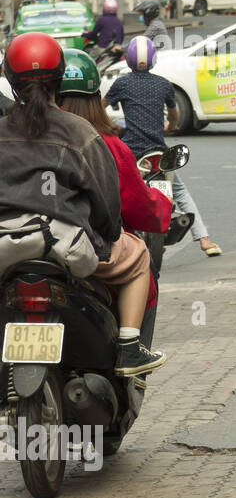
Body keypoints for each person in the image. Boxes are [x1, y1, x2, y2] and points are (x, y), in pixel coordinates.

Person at [0, 33, 166, 376]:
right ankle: (130, 347)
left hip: (4, 247)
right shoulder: (82, 133)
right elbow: (107, 206)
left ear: (11, 80)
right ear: (58, 78)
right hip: (67, 251)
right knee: (138, 256)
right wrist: (107, 238)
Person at [105, 36, 222, 257]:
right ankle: (204, 240)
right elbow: (174, 114)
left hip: (133, 152)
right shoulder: (163, 84)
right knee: (179, 191)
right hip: (159, 152)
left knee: (116, 189)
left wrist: (112, 127)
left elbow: (100, 107)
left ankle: (114, 237)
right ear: (153, 59)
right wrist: (171, 126)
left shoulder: (121, 84)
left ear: (129, 60)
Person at [58, 49, 172, 245]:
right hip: (93, 249)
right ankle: (203, 236)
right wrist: (164, 202)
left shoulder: (19, 137)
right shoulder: (108, 144)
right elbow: (138, 206)